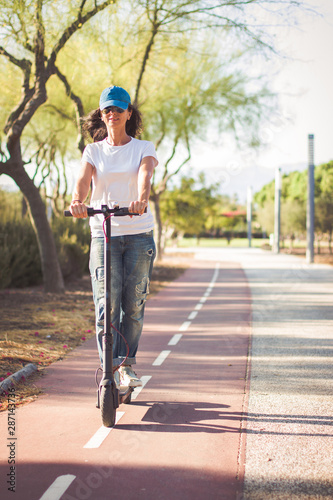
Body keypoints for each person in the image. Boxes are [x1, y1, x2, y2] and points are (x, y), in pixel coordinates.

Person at [69, 85, 158, 389]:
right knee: (106, 305)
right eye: (108, 109)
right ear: (102, 115)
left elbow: (145, 176)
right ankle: (110, 368)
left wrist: (141, 199)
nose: (113, 114)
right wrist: (77, 202)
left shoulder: (143, 147)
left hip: (137, 234)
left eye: (119, 109)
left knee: (132, 305)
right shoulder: (93, 150)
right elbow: (83, 181)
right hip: (103, 234)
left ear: (128, 113)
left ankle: (127, 365)